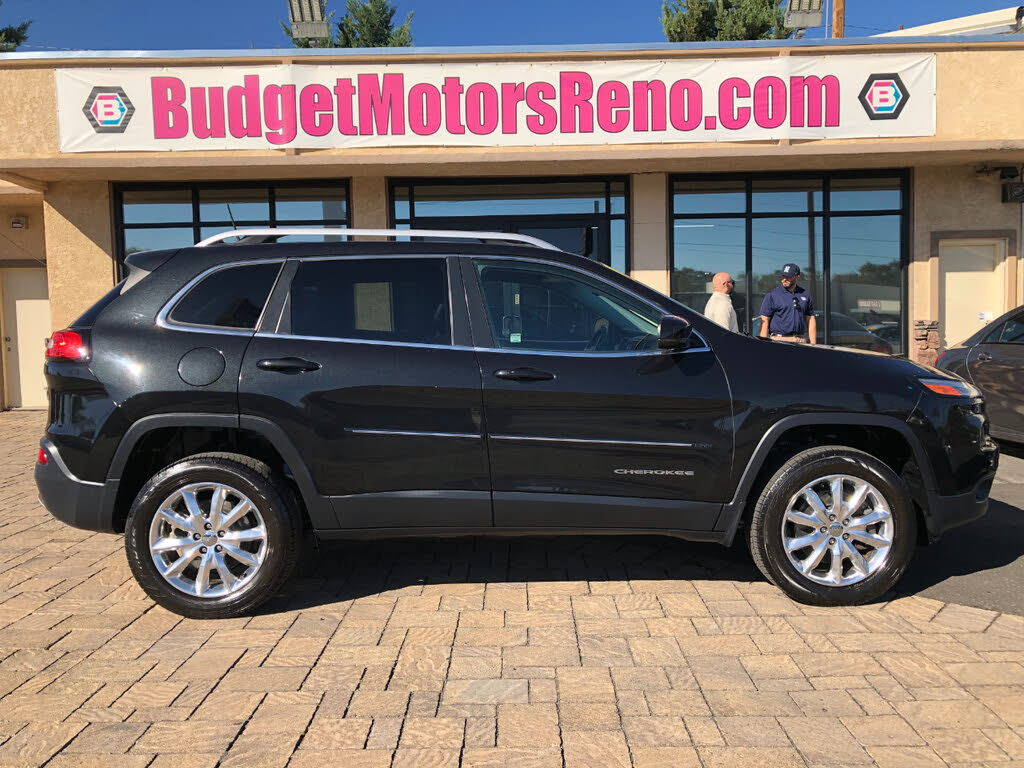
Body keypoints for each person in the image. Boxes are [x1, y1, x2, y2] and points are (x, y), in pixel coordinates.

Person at [758, 263, 817, 344]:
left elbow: (810, 319)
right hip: (779, 340)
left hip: (800, 341)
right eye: (783, 276)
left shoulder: (805, 295)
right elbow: (764, 320)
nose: (784, 279)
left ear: (797, 277)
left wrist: (813, 344)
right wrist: (764, 344)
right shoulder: (772, 295)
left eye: (788, 277)